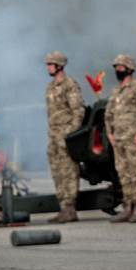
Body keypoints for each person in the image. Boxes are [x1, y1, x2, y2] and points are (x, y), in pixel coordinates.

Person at [104, 54, 136, 224]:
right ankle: (127, 208)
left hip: (133, 139)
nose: (117, 70)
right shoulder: (116, 91)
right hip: (118, 139)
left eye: (120, 67)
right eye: (116, 67)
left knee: (135, 172)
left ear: (129, 69)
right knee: (123, 174)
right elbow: (108, 114)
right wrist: (110, 133)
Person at [43, 51, 85, 223]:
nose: (47, 67)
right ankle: (63, 208)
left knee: (68, 171)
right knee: (57, 172)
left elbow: (78, 112)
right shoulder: (50, 87)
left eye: (50, 64)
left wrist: (69, 135)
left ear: (59, 66)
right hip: (53, 135)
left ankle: (70, 208)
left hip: (65, 136)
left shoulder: (70, 85)